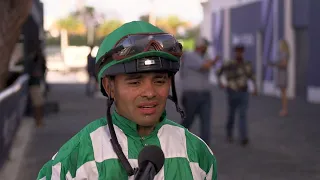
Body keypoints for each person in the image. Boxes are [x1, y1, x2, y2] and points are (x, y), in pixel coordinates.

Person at [36, 21, 217, 180]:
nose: (150, 92)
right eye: (135, 82)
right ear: (109, 87)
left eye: (159, 80)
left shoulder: (199, 153)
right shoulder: (73, 160)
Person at [179, 37, 220, 145]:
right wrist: (214, 61)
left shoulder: (204, 57)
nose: (207, 48)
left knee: (206, 121)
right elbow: (204, 66)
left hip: (205, 94)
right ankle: (178, 139)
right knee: (189, 119)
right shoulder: (190, 56)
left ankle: (205, 145)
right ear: (201, 46)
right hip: (192, 94)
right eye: (205, 46)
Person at [216, 45, 257, 146]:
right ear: (235, 53)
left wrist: (255, 88)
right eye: (237, 52)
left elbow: (252, 76)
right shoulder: (229, 63)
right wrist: (220, 83)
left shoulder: (247, 64)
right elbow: (219, 72)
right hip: (232, 91)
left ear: (243, 52)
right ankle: (229, 134)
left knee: (243, 115)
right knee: (231, 114)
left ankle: (243, 137)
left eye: (241, 52)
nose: (239, 54)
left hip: (244, 91)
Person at [269, 39, 290, 117]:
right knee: (283, 93)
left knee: (283, 93)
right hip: (282, 74)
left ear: (283, 45)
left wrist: (275, 64)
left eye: (280, 44)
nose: (279, 46)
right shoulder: (282, 53)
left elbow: (284, 64)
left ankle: (284, 110)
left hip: (282, 74)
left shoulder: (284, 53)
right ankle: (284, 109)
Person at [26, 47, 45, 127]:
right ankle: (38, 121)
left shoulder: (38, 62)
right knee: (37, 104)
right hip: (34, 86)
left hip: (37, 84)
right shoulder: (31, 62)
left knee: (39, 103)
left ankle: (39, 120)